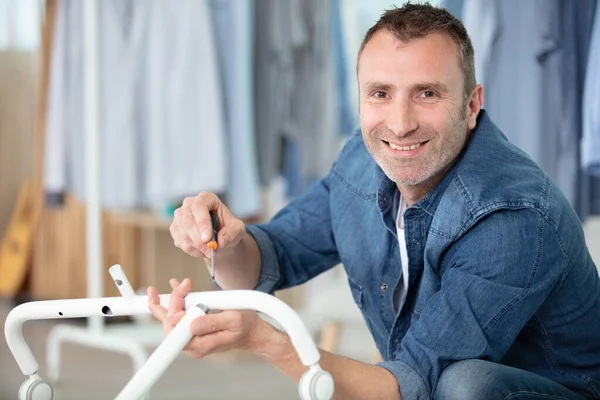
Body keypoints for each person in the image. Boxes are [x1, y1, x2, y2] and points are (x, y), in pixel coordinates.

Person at [148, 3, 600, 399]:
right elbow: (271, 257)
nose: (399, 124)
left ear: (471, 104)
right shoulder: (362, 162)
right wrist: (226, 243)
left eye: (427, 94)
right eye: (381, 94)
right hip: (415, 385)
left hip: (542, 391)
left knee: (464, 386)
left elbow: (410, 388)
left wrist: (269, 340)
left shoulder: (513, 217)